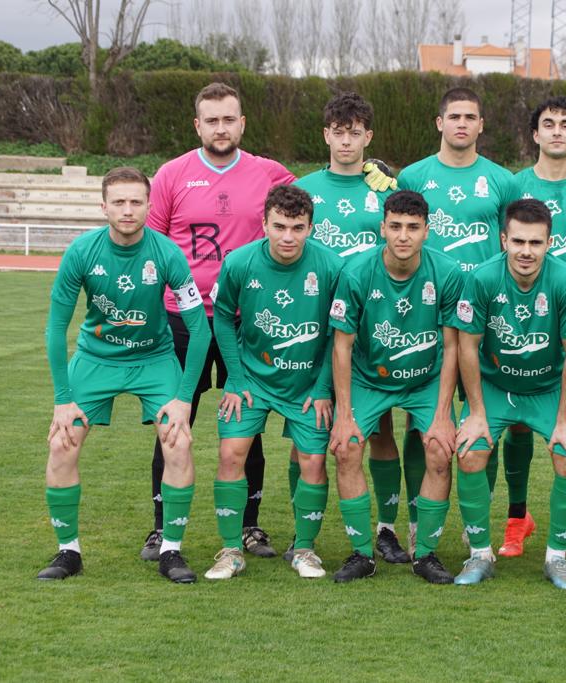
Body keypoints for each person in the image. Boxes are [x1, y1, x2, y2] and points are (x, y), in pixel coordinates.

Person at [141, 82, 296, 562]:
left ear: (242, 123)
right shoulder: (171, 175)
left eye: (229, 119)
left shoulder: (270, 174)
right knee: (173, 422)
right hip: (181, 319)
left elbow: (319, 206)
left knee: (244, 422)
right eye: (212, 120)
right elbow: (153, 246)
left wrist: (376, 178)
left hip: (247, 321)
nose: (221, 128)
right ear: (197, 125)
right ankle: (161, 527)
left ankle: (249, 526)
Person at [39, 167, 209, 583]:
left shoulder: (167, 253)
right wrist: (62, 398)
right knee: (62, 444)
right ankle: (68, 552)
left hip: (154, 359)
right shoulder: (81, 252)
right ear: (104, 207)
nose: (128, 210)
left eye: (136, 201)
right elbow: (55, 328)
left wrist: (185, 398)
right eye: (119, 202)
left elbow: (200, 329)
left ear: (149, 206)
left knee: (178, 441)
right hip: (96, 359)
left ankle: (171, 550)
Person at [397, 87, 517, 552]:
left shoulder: (501, 181)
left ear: (481, 125)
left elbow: (512, 240)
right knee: (420, 419)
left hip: (486, 316)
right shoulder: (414, 174)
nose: (462, 124)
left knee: (480, 420)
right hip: (425, 312)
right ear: (439, 122)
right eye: (454, 116)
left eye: (471, 117)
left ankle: (475, 523)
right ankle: (414, 518)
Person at [451, 199, 566, 590]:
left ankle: (556, 559)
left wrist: (565, 421)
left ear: (550, 243)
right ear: (503, 239)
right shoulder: (481, 278)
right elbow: (467, 346)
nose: (526, 251)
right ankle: (479, 554)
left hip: (547, 388)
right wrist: (476, 412)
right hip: (497, 386)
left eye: (535, 242)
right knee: (470, 450)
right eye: (518, 241)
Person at [206, 185, 344, 580]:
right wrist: (235, 375)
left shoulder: (331, 267)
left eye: (297, 228)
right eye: (279, 226)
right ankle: (231, 550)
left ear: (311, 228)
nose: (288, 237)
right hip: (252, 380)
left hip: (307, 385)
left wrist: (322, 389)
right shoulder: (239, 263)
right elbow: (221, 317)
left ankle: (304, 549)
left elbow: (338, 331)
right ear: (263, 223)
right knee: (231, 453)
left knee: (314, 460)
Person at [293, 92, 408, 564]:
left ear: (368, 137)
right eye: (338, 132)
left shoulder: (384, 191)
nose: (346, 140)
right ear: (326, 135)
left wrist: (390, 176)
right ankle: (306, 537)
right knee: (308, 429)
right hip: (313, 327)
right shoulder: (304, 189)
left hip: (374, 328)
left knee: (379, 430)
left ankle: (385, 528)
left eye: (355, 132)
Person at [327, 190, 464, 583]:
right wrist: (345, 416)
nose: (403, 236)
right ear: (382, 228)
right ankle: (361, 554)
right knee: (347, 448)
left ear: (427, 231)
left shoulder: (448, 273)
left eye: (413, 228)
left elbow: (452, 344)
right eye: (396, 227)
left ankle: (426, 554)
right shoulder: (356, 273)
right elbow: (342, 346)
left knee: (440, 450)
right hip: (369, 377)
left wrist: (441, 415)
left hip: (425, 380)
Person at [502, 96, 566, 561]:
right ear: (535, 134)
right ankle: (517, 517)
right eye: (548, 124)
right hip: (519, 323)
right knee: (517, 422)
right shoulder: (513, 185)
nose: (557, 131)